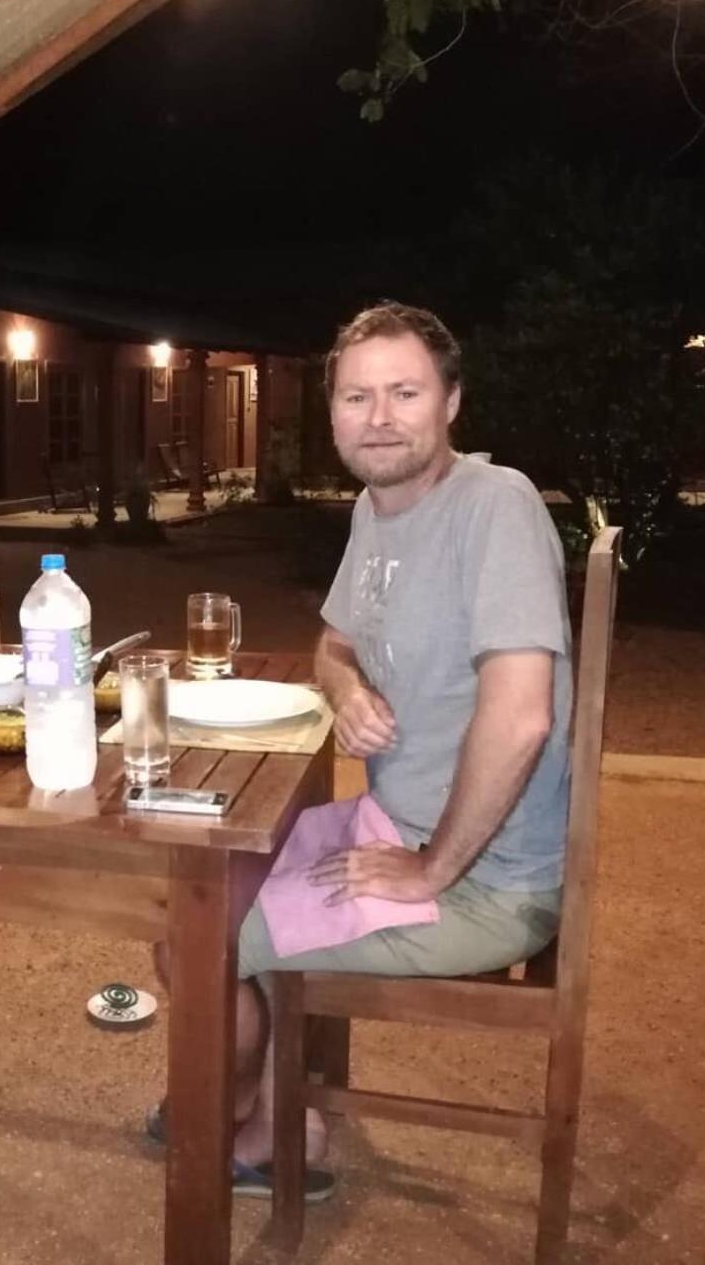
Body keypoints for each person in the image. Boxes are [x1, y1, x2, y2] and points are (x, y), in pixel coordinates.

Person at [156, 302, 573, 1198]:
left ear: (450, 402)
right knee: (199, 884)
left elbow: (522, 718)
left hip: (487, 881)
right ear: (334, 414)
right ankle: (266, 1106)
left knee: (193, 942)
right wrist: (347, 691)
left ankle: (252, 1129)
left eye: (404, 393)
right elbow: (332, 646)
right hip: (393, 824)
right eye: (357, 397)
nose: (379, 417)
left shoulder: (494, 507)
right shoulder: (375, 511)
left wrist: (430, 869)